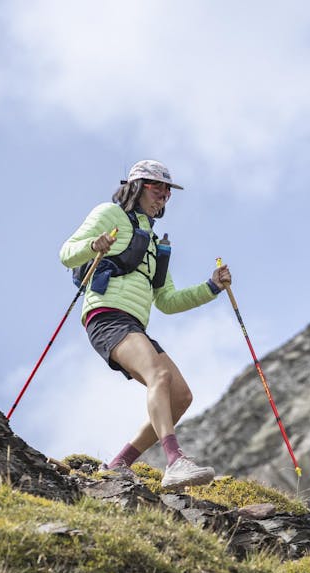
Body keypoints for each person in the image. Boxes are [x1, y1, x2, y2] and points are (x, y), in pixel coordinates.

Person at [59, 159, 231, 490]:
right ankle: (175, 462)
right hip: (105, 314)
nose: (164, 195)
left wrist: (212, 287)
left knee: (180, 396)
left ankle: (118, 464)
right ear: (137, 187)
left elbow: (167, 301)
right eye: (158, 187)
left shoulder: (154, 242)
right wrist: (93, 246)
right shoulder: (109, 215)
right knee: (160, 375)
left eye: (169, 191)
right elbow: (67, 253)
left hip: (134, 324)